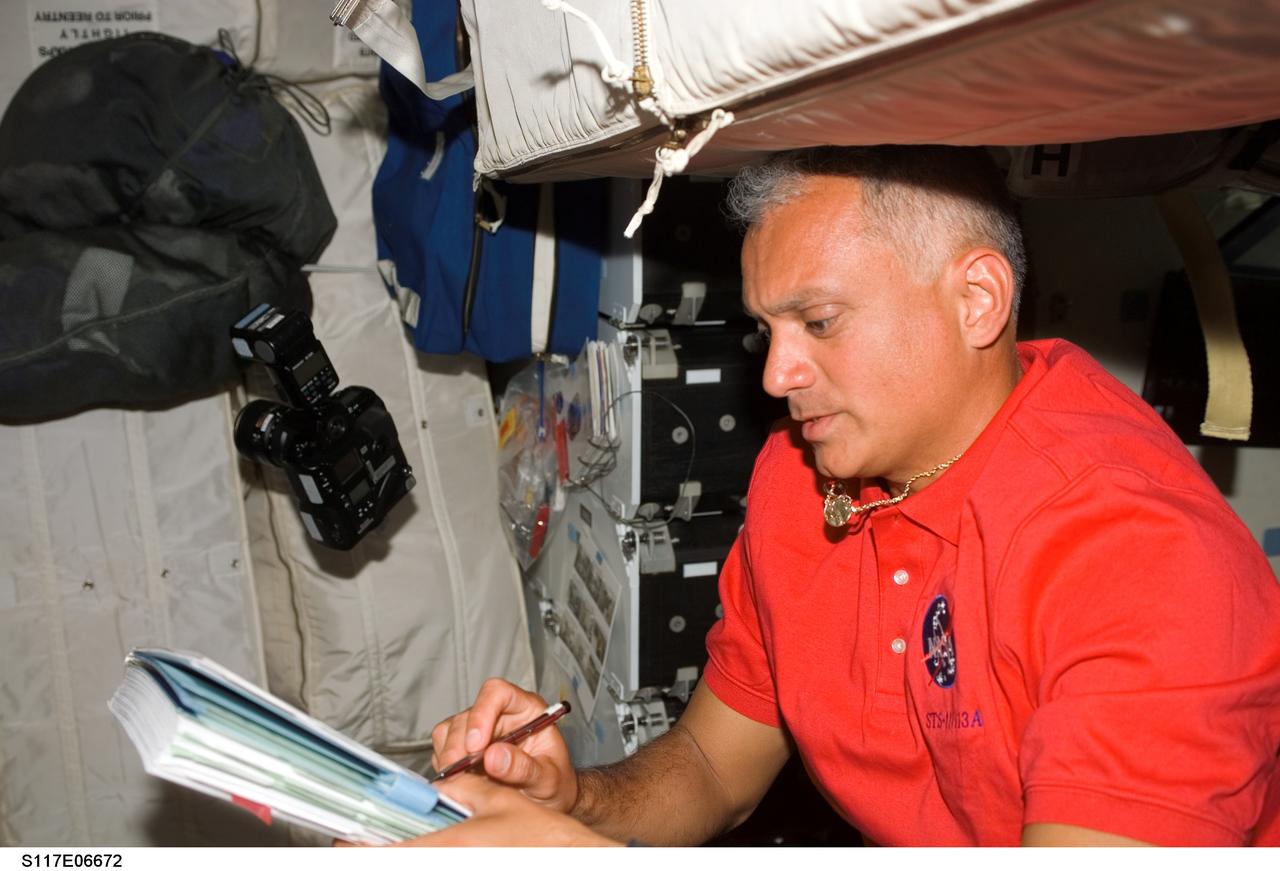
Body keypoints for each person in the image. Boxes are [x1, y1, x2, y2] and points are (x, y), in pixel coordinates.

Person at [414, 146, 1280, 847]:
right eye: (766, 330)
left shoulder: (1140, 555)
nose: (778, 373)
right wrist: (575, 799)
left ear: (976, 300)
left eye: (819, 321)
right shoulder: (802, 473)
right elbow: (714, 768)